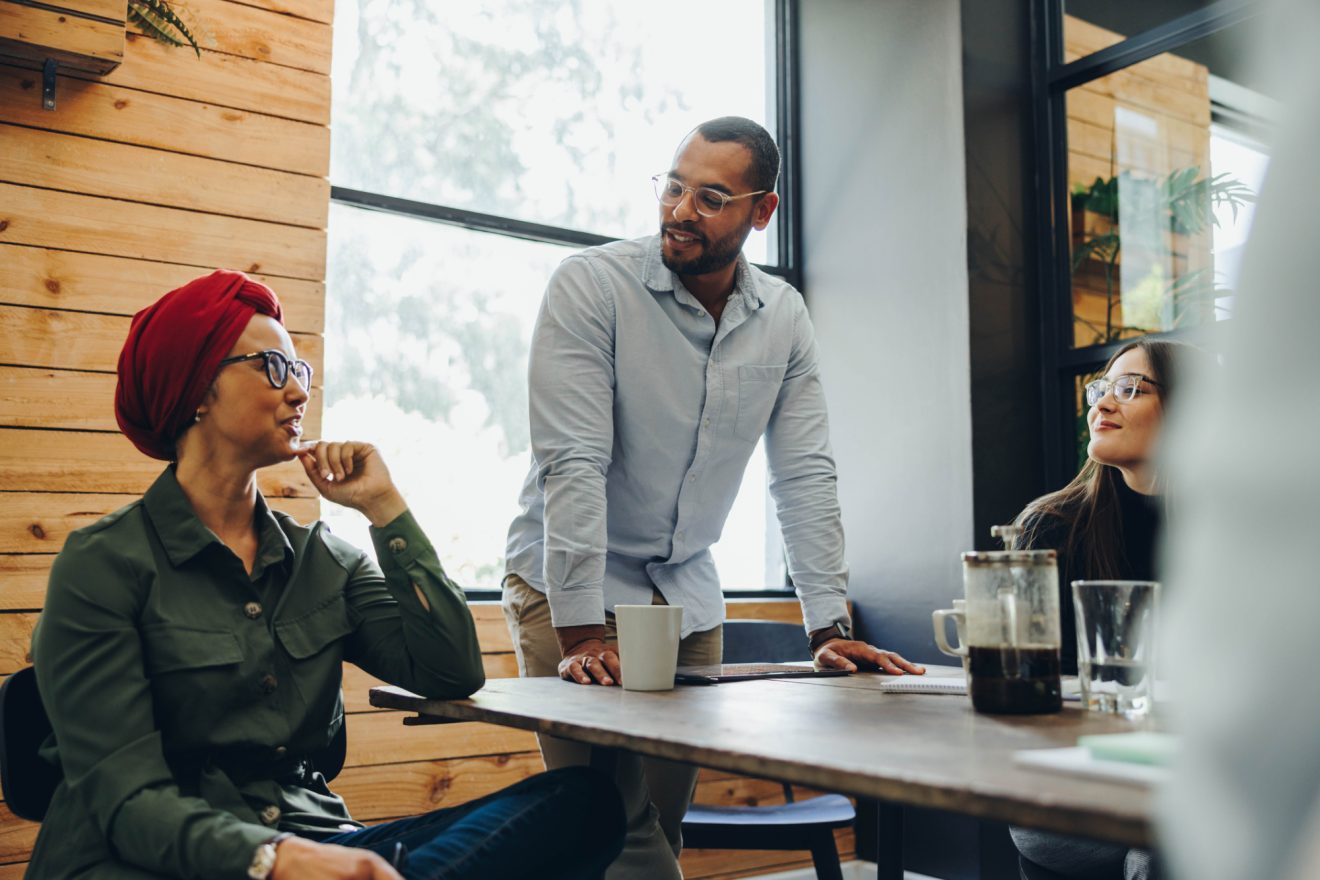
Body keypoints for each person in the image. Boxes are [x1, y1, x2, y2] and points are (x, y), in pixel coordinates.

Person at [27, 270, 624, 880]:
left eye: (299, 370)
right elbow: (127, 802)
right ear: (197, 391)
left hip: (313, 837)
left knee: (585, 804)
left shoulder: (320, 558)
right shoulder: (103, 565)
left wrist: (384, 507)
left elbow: (451, 672)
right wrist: (277, 860)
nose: (298, 392)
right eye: (272, 367)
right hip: (163, 861)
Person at [501, 116, 923, 879]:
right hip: (570, 591)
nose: (679, 210)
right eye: (672, 187)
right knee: (612, 830)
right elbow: (574, 463)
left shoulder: (782, 316)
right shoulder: (592, 286)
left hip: (686, 601)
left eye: (710, 198)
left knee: (660, 830)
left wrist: (826, 625)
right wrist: (581, 636)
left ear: (762, 211)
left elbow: (804, 474)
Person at [1007, 338, 1208, 880]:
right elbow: (1034, 681)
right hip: (1084, 774)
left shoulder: (1242, 531)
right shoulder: (1052, 526)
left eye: (1130, 389)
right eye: (1100, 390)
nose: (1102, 404)